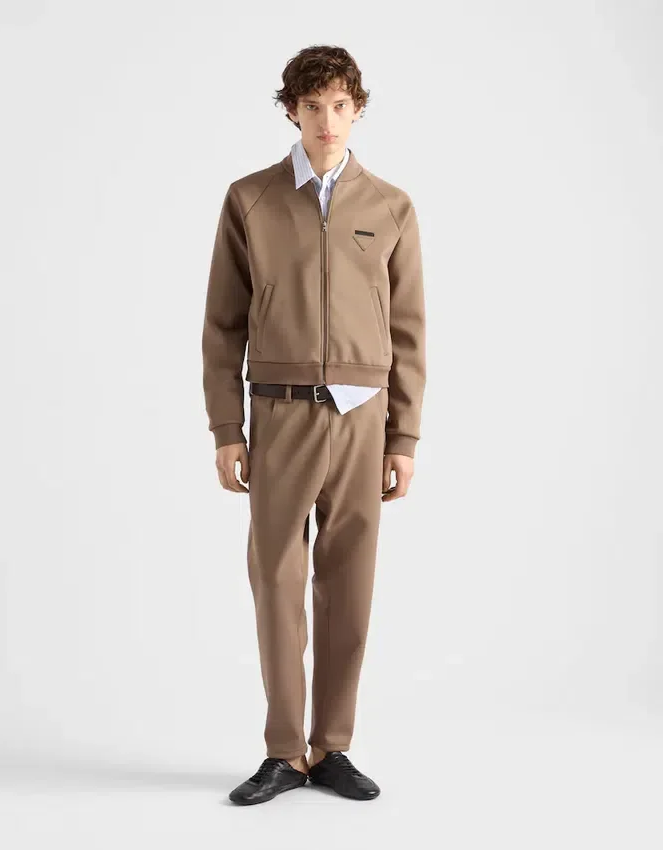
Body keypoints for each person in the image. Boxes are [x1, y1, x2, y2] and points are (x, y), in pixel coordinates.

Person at [201, 45, 426, 805]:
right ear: (290, 110)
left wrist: (403, 437)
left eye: (339, 105)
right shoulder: (251, 200)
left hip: (363, 420)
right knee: (276, 583)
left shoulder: (391, 207)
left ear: (357, 110)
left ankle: (332, 748)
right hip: (278, 413)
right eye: (312, 105)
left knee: (349, 585)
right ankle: (281, 751)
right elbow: (222, 325)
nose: (327, 120)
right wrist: (226, 428)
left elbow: (409, 331)